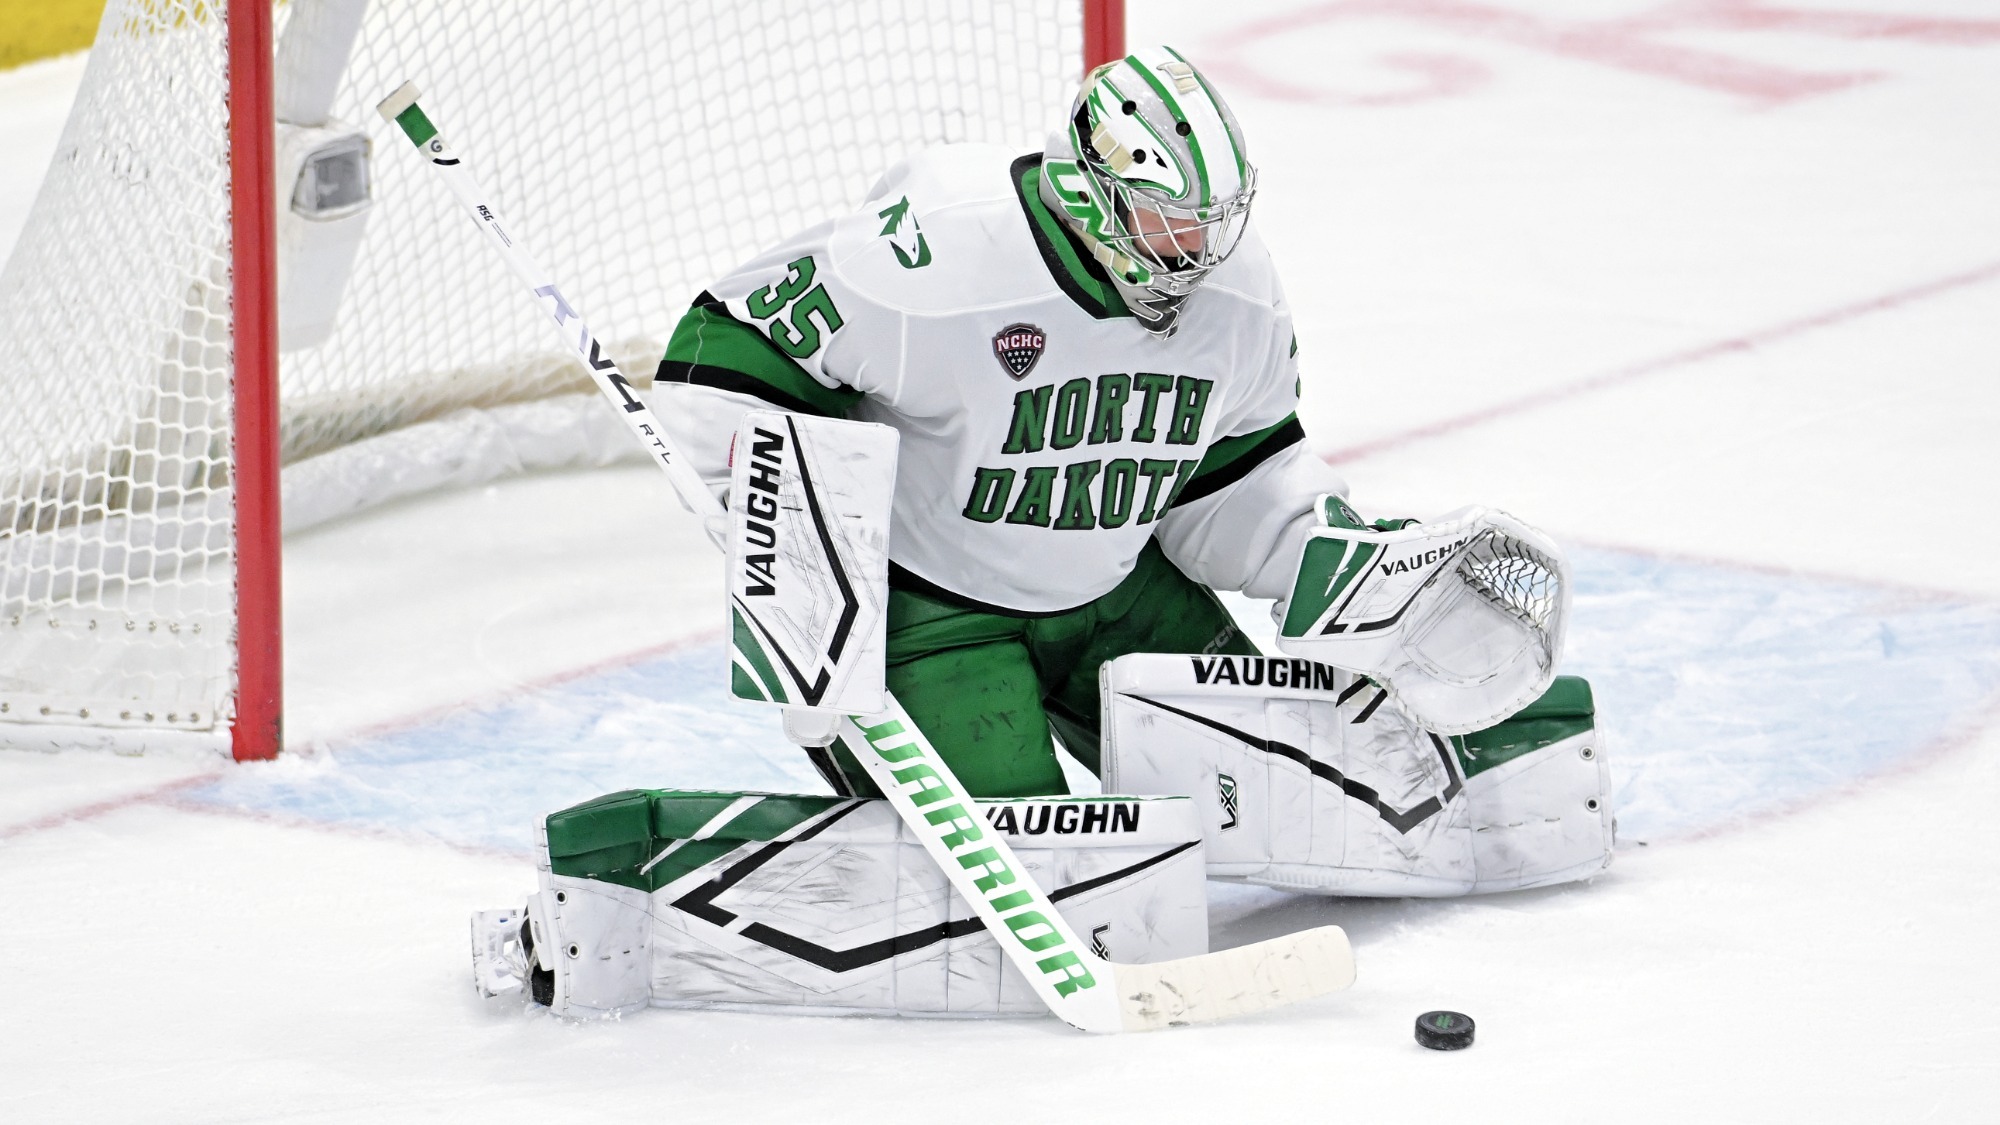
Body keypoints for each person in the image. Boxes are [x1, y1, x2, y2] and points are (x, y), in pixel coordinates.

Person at [654, 45, 1349, 798]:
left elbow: (1232, 474)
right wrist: (802, 599)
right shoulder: (937, 249)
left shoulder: (1237, 292)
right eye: (1168, 220)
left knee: (1296, 790)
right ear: (1092, 193)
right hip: (935, 619)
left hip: (1119, 597)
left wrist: (1329, 566)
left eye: (1211, 224)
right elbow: (723, 363)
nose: (1197, 253)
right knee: (1030, 865)